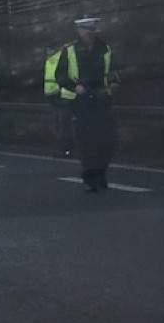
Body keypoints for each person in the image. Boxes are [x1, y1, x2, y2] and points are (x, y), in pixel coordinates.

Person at [54, 17, 120, 192]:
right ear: (80, 32)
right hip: (81, 101)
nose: (90, 36)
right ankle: (91, 176)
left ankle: (101, 172)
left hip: (102, 99)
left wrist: (113, 84)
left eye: (93, 32)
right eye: (87, 32)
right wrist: (75, 87)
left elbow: (113, 70)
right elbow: (60, 76)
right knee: (87, 141)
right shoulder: (69, 51)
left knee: (106, 140)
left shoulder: (105, 48)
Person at [44, 41, 74, 157]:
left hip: (60, 94)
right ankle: (64, 147)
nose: (47, 52)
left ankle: (66, 148)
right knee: (60, 122)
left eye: (49, 49)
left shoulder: (59, 59)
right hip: (53, 95)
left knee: (63, 122)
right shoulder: (49, 60)